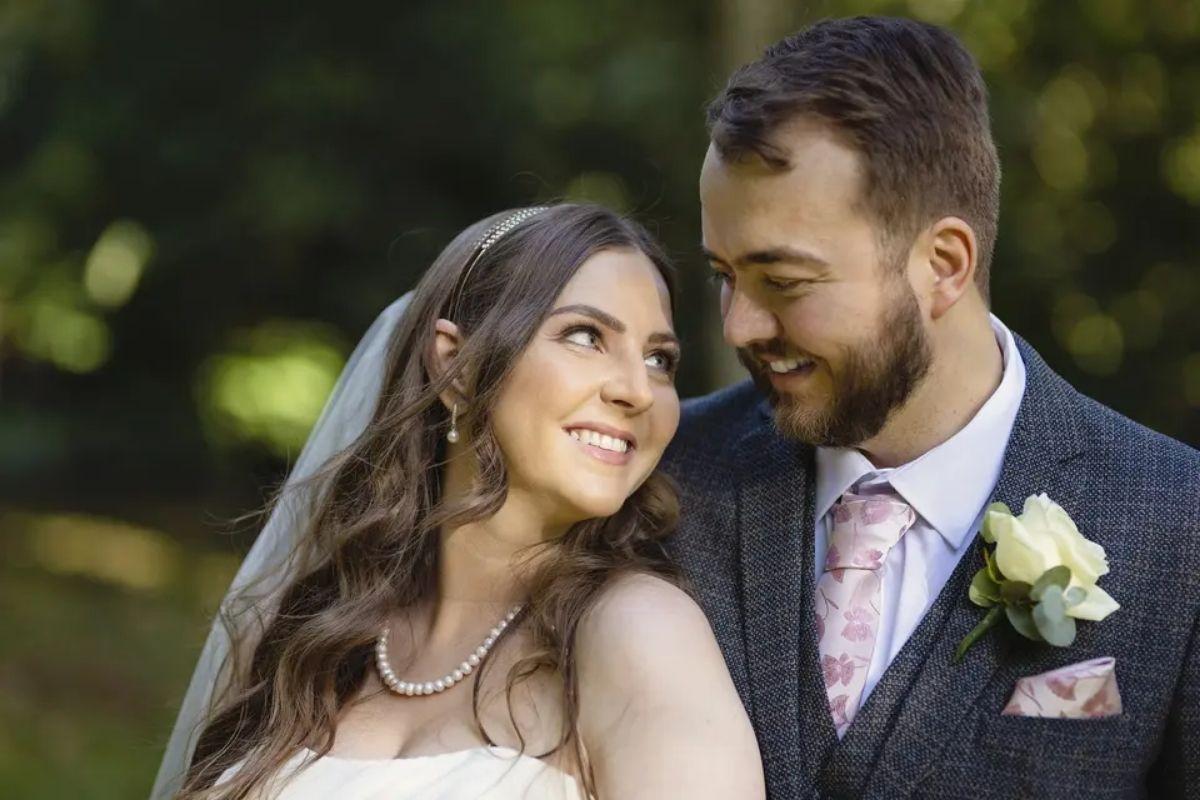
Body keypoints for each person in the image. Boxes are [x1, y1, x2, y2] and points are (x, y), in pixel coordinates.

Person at [661, 16, 1200, 799]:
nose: (740, 324)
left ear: (942, 264)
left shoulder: (1181, 527)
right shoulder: (668, 482)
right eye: (724, 274)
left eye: (785, 282)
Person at [151, 204, 765, 800]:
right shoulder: (308, 633)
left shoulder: (637, 632)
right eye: (586, 336)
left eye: (660, 360)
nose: (637, 390)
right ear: (457, 368)